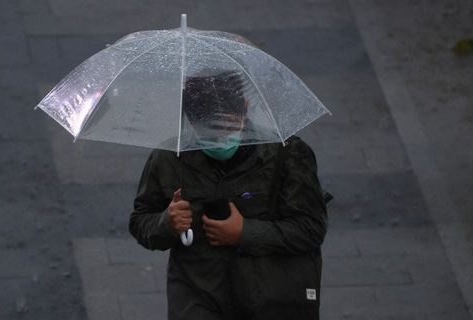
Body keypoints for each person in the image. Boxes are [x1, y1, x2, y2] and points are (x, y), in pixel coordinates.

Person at [129, 70, 328, 320]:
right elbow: (140, 222)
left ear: (245, 109)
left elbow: (311, 228)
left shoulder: (287, 155)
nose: (219, 139)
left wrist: (244, 233)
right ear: (189, 120)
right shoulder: (169, 159)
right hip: (198, 299)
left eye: (227, 126)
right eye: (209, 131)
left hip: (269, 300)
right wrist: (166, 222)